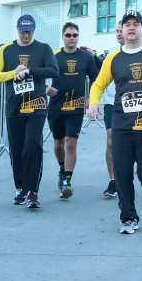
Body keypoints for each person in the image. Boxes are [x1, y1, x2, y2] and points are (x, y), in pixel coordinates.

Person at [86, 10, 142, 235]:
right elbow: (99, 83)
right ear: (122, 29)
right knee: (123, 174)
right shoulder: (113, 58)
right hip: (122, 125)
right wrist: (94, 102)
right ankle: (128, 217)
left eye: (136, 24)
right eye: (127, 24)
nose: (131, 27)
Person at [0, 14, 59, 209]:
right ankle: (20, 187)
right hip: (14, 106)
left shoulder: (43, 48)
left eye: (29, 32)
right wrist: (14, 73)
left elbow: (54, 70)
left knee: (32, 145)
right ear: (17, 30)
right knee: (17, 149)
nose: (26, 35)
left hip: (37, 106)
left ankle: (32, 191)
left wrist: (31, 71)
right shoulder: (6, 49)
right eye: (22, 32)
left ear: (34, 30)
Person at [46, 22, 100, 199]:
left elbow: (96, 80)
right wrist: (45, 87)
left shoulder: (86, 57)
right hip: (56, 107)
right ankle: (62, 169)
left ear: (78, 37)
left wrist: (91, 98)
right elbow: (38, 75)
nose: (72, 38)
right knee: (58, 143)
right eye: (68, 35)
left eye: (75, 35)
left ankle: (67, 181)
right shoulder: (53, 56)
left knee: (71, 143)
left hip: (76, 107)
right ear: (62, 36)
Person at [100, 21, 126, 198]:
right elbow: (101, 78)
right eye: (116, 31)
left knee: (129, 143)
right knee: (111, 139)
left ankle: (125, 176)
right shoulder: (111, 53)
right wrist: (94, 101)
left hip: (132, 103)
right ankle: (113, 180)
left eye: (120, 30)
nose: (118, 34)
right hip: (112, 103)